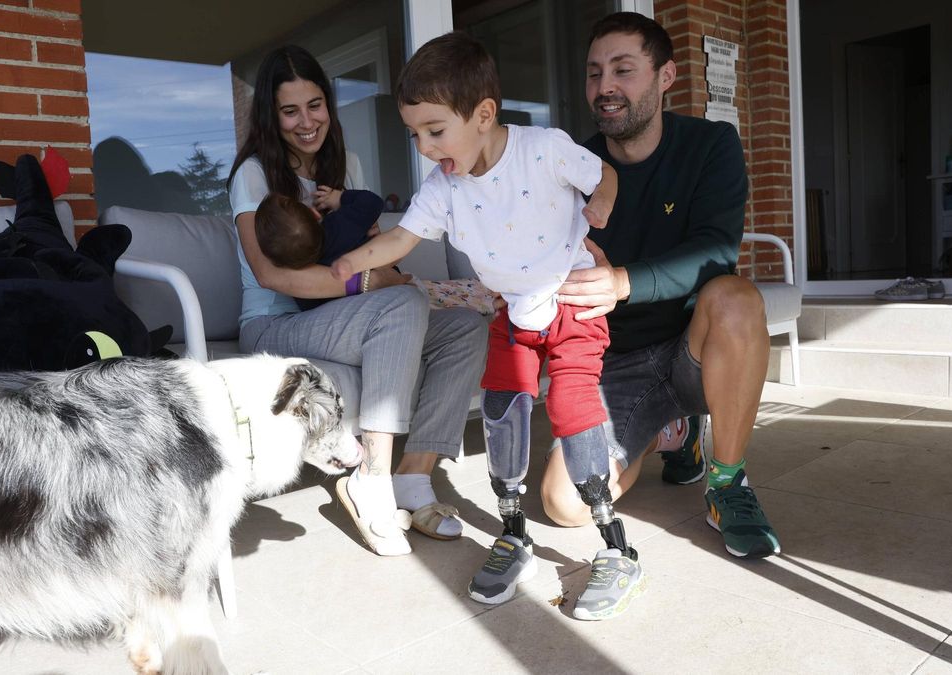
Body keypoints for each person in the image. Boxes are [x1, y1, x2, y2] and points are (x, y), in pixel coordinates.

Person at [330, 32, 641, 622]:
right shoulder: (444, 187)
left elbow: (606, 174)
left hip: (571, 302)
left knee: (572, 409)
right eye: (414, 134)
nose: (424, 147)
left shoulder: (545, 149)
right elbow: (402, 238)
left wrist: (599, 204)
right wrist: (355, 261)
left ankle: (616, 545)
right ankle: (514, 531)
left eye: (435, 130)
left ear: (484, 115)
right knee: (503, 410)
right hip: (513, 311)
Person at [226, 45, 488, 556]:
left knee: (465, 327)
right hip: (273, 326)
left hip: (336, 318)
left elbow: (367, 247)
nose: (307, 122)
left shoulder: (350, 169)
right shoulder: (254, 175)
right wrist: (366, 285)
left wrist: (374, 272)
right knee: (405, 305)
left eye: (315, 105)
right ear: (270, 116)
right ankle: (370, 476)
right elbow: (270, 273)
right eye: (290, 110)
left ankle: (414, 478)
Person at [541, 11, 780, 565]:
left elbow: (716, 251)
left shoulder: (712, 145)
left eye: (624, 70)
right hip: (617, 361)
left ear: (666, 76)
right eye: (595, 73)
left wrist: (622, 280)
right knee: (565, 505)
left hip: (695, 350)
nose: (606, 88)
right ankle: (670, 432)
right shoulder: (569, 168)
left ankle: (726, 484)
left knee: (737, 297)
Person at [254, 188, 383, 310]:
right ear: (315, 214)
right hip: (384, 284)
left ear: (276, 262)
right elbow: (373, 202)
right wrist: (339, 197)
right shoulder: (338, 225)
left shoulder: (302, 293)